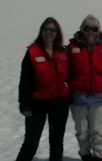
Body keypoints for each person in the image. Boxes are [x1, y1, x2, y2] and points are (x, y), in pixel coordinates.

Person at [16, 17, 70, 161]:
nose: (48, 33)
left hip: (59, 103)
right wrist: (24, 104)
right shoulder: (33, 52)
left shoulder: (63, 52)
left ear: (57, 33)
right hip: (37, 105)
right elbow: (25, 80)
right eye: (45, 29)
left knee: (56, 142)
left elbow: (71, 75)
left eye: (52, 30)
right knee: (31, 142)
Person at [68, 14, 102, 161]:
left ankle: (98, 157)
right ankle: (85, 155)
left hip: (98, 96)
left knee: (98, 131)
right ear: (82, 29)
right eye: (87, 28)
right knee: (82, 131)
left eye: (94, 29)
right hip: (79, 96)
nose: (91, 32)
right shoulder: (72, 47)